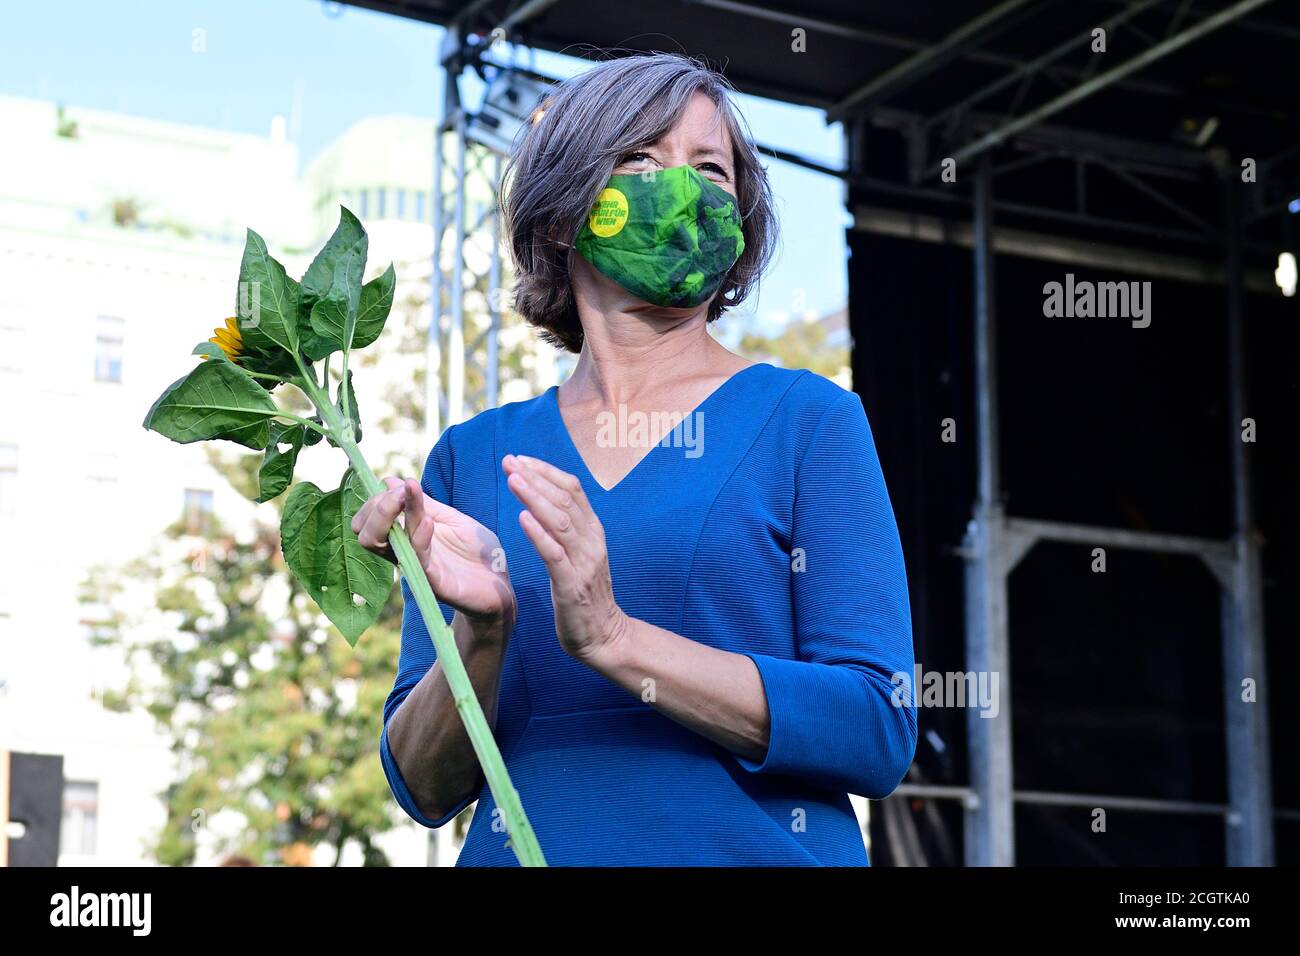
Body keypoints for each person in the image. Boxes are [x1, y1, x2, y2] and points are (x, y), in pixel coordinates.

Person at [352, 52, 917, 866]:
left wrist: (615, 639)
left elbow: (877, 726)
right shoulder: (470, 460)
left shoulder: (808, 421)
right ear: (559, 213)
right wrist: (484, 630)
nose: (682, 188)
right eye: (642, 160)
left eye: (711, 169)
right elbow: (424, 787)